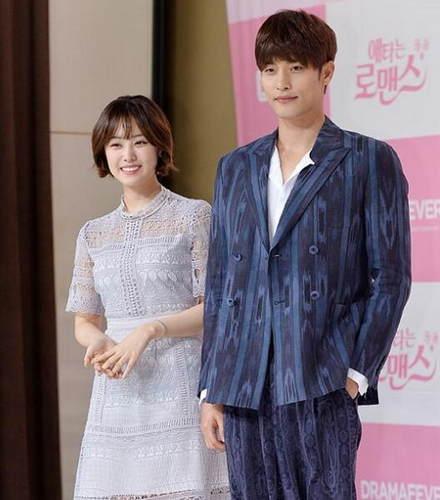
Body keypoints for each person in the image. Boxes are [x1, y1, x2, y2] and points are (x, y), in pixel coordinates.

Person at [199, 10, 411, 499]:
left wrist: (355, 373)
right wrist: (212, 386)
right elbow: (221, 282)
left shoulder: (367, 159)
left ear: (326, 72)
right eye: (270, 69)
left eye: (295, 67)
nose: (282, 82)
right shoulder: (235, 167)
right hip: (244, 383)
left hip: (321, 378)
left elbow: (391, 277)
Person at [66, 95, 230, 499]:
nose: (128, 155)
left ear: (159, 147)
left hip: (180, 386)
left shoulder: (194, 215)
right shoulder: (93, 234)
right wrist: (98, 341)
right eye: (116, 144)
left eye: (139, 142)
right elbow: (84, 320)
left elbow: (216, 308)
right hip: (117, 391)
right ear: (103, 153)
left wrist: (150, 330)